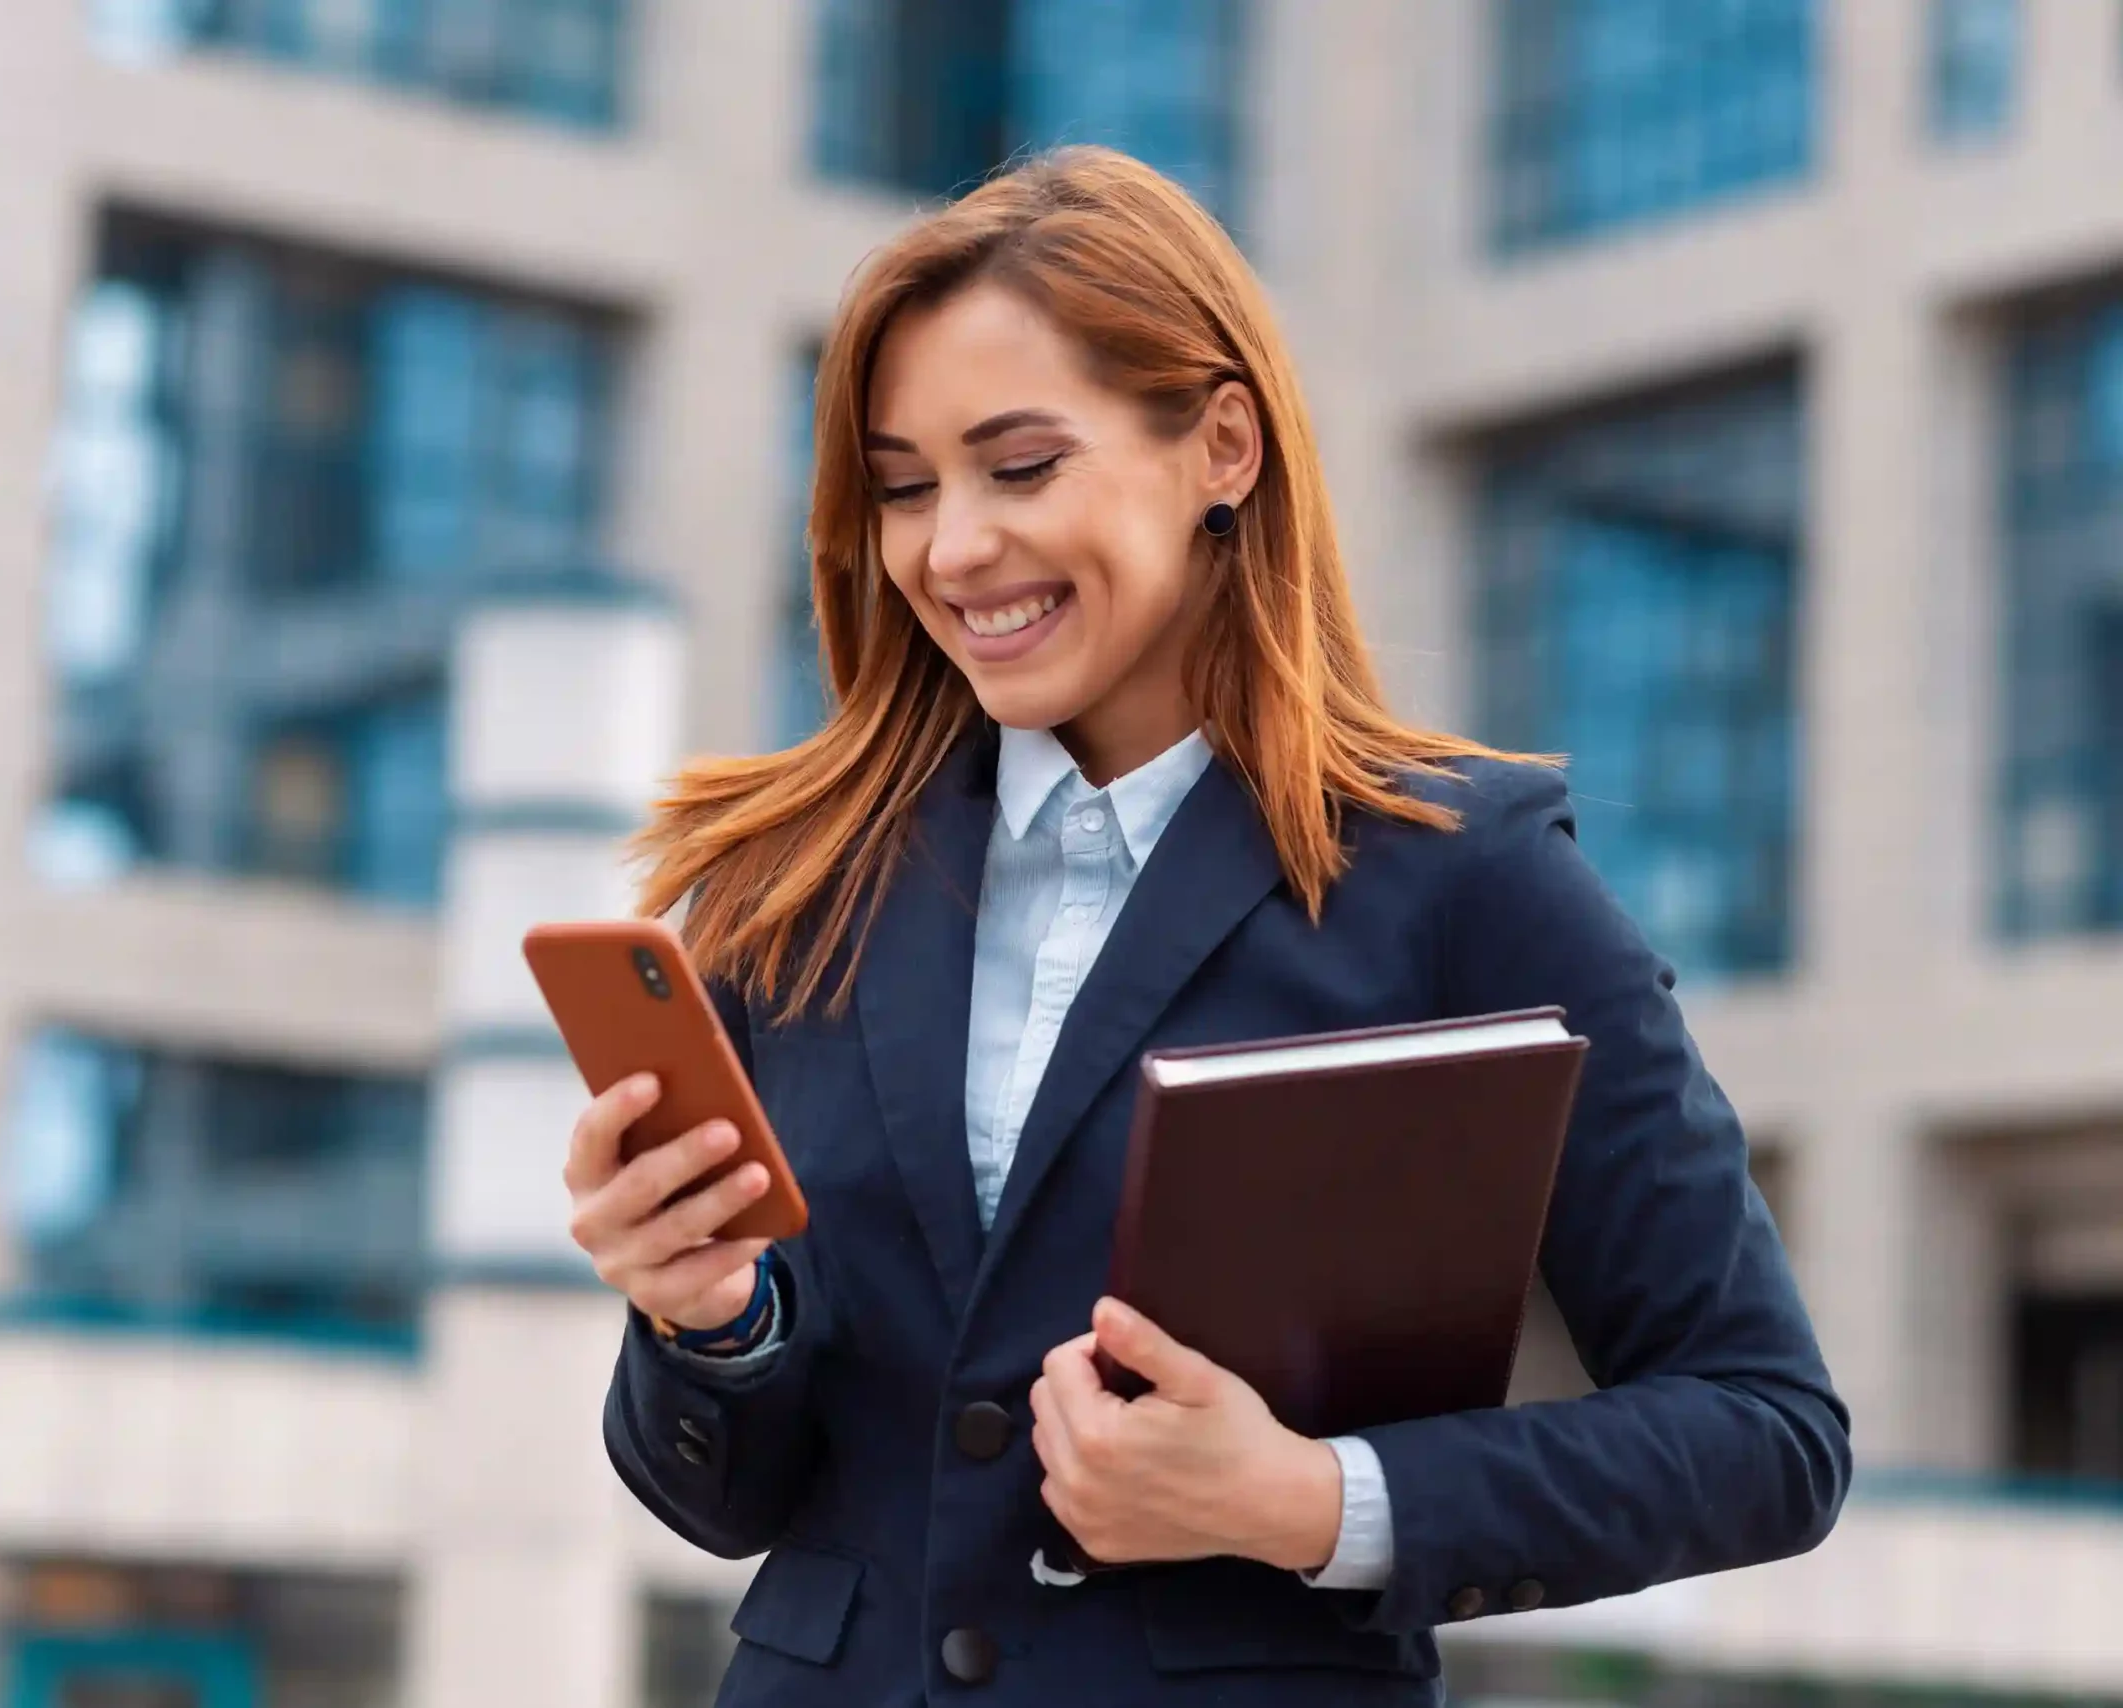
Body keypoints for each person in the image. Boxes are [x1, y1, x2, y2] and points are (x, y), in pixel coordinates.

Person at [560, 147, 1849, 1706]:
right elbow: (730, 1502)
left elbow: (1766, 1429)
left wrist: (1309, 1502)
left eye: (1019, 467)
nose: (950, 549)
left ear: (1223, 446)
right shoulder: (796, 891)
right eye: (904, 488)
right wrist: (712, 1321)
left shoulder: (1464, 878)